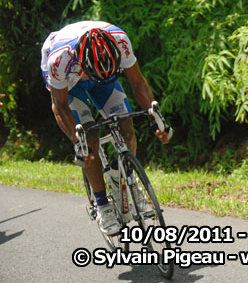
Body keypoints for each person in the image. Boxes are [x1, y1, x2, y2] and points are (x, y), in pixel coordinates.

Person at [41, 21, 171, 236]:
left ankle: (129, 180)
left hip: (104, 76)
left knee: (126, 126)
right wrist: (79, 143)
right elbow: (60, 105)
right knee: (89, 136)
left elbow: (138, 83)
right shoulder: (59, 59)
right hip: (70, 85)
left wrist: (159, 120)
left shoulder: (119, 40)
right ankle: (103, 206)